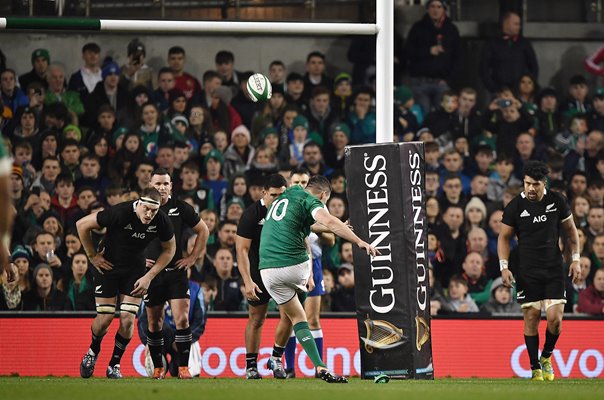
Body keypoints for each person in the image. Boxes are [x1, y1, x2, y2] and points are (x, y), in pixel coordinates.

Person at [259, 175, 379, 383]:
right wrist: (360, 242)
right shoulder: (310, 201)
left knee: (293, 316)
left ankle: (280, 359)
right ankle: (317, 366)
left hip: (266, 271)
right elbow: (329, 221)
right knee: (302, 315)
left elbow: (309, 228)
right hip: (293, 267)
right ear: (323, 195)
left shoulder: (284, 197)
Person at [76, 187, 176, 379]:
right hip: (107, 266)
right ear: (139, 203)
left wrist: (149, 276)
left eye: (154, 211)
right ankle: (93, 351)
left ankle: (114, 364)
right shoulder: (120, 212)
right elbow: (82, 224)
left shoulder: (161, 220)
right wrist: (92, 256)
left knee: (128, 318)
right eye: (146, 209)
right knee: (105, 319)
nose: (149, 214)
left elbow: (170, 250)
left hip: (135, 270)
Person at [498, 160, 581, 381]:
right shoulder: (515, 206)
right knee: (532, 317)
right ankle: (535, 368)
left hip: (553, 269)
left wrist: (576, 260)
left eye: (535, 184)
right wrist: (504, 267)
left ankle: (546, 356)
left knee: (555, 319)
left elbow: (572, 233)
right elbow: (504, 238)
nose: (531, 189)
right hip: (527, 271)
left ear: (544, 183)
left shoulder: (557, 201)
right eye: (527, 184)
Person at [145, 168, 209, 379]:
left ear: (171, 185)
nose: (161, 188)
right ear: (150, 185)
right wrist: (137, 261)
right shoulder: (141, 208)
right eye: (157, 184)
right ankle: (157, 368)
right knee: (155, 323)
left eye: (165, 184)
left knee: (182, 320)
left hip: (176, 272)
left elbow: (204, 230)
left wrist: (192, 257)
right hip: (151, 275)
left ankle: (183, 368)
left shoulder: (180, 208)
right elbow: (127, 237)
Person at [236, 174, 292, 378]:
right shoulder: (252, 214)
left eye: (282, 195)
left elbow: (304, 239)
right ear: (264, 193)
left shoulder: (289, 211)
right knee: (257, 319)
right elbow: (241, 250)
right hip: (258, 275)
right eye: (274, 196)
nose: (278, 200)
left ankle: (276, 359)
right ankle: (251, 367)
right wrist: (247, 281)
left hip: (283, 273)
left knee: (289, 317)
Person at [405, 0, 461, 114]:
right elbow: (407, 52)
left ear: (444, 10)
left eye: (439, 7)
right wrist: (428, 51)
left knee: (444, 114)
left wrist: (448, 80)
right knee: (423, 114)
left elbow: (458, 58)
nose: (436, 10)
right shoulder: (417, 28)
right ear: (427, 9)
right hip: (420, 82)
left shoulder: (451, 30)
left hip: (442, 82)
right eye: (433, 6)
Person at [480, 12, 538, 94]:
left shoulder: (524, 43)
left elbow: (534, 66)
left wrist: (528, 87)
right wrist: (493, 88)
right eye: (516, 24)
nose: (519, 27)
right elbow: (483, 68)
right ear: (506, 23)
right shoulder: (492, 43)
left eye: (519, 24)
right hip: (499, 91)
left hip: (520, 92)